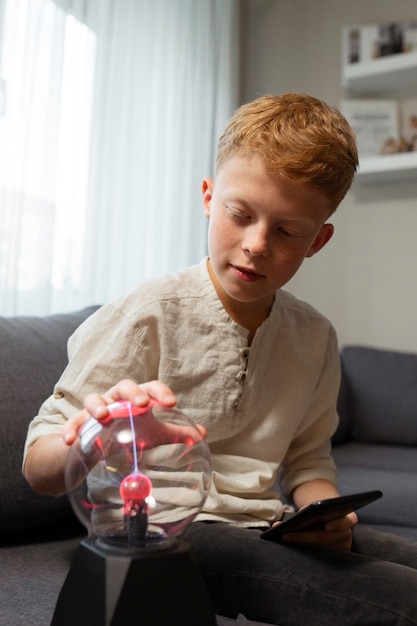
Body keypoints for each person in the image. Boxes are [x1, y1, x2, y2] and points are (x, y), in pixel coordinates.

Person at [23, 93, 417, 625]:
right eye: (241, 214)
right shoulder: (147, 314)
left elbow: (308, 460)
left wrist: (326, 512)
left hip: (268, 523)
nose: (256, 244)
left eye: (287, 232)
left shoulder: (315, 337)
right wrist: (100, 430)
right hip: (165, 533)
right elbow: (39, 469)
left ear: (317, 241)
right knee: (398, 599)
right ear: (209, 198)